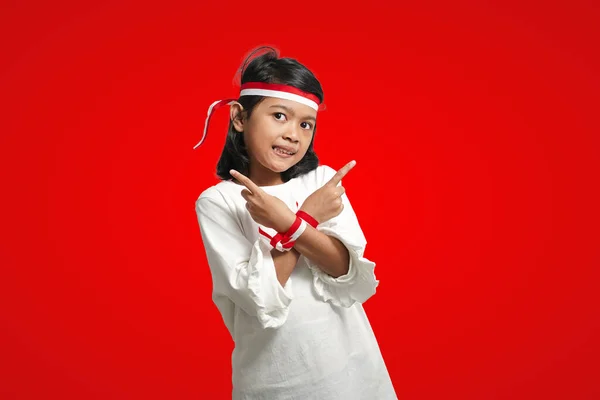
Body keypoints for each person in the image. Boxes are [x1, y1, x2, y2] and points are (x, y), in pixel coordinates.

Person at [194, 46, 397, 400]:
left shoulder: (322, 181)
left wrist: (291, 224)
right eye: (279, 116)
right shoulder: (217, 202)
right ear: (239, 118)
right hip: (275, 378)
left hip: (352, 370)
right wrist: (306, 219)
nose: (293, 134)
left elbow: (344, 269)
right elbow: (257, 299)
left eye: (306, 124)